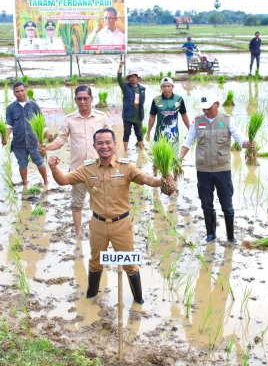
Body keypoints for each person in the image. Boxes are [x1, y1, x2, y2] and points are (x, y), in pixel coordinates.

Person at [47, 128, 174, 303]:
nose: (104, 146)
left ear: (114, 145)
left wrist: (164, 180)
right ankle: (91, 296)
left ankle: (139, 301)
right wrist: (53, 168)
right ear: (94, 146)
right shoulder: (87, 168)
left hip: (121, 224)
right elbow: (63, 180)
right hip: (97, 224)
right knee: (95, 262)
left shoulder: (126, 167)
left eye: (108, 142)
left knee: (129, 264)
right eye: (100, 143)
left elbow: (147, 180)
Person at [178, 92, 251, 243]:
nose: (206, 111)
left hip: (222, 170)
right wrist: (179, 158)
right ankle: (210, 234)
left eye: (209, 108)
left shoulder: (227, 120)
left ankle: (231, 237)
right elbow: (188, 141)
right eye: (204, 109)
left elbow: (239, 136)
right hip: (203, 170)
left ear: (217, 104)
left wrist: (246, 143)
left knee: (227, 206)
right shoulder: (197, 122)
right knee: (206, 204)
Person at [42, 86, 110, 238]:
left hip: (99, 168)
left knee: (101, 202)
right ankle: (78, 233)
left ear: (92, 99)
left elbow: (111, 142)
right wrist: (46, 147)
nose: (83, 101)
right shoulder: (70, 119)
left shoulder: (102, 117)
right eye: (79, 99)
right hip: (78, 170)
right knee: (77, 203)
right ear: (75, 100)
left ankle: (100, 231)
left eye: (86, 98)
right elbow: (60, 141)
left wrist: (115, 163)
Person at [4, 81, 49, 187]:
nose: (20, 93)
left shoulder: (33, 105)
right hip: (19, 142)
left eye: (22, 90)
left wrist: (47, 133)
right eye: (17, 91)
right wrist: (5, 137)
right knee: (22, 164)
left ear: (25, 91)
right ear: (14, 93)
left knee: (40, 162)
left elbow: (41, 122)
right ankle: (25, 184)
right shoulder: (10, 108)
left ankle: (46, 182)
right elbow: (9, 125)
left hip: (34, 141)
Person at [145, 77, 191, 146]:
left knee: (174, 156)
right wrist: (148, 132)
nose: (167, 88)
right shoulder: (156, 100)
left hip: (173, 136)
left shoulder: (179, 99)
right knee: (159, 156)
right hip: (159, 137)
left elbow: (184, 115)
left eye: (169, 86)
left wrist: (190, 130)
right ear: (161, 87)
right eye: (164, 86)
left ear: (172, 87)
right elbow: (152, 117)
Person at [117, 60, 146, 152]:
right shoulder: (125, 87)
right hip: (128, 116)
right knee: (127, 133)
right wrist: (120, 66)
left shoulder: (142, 89)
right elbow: (119, 78)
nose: (133, 78)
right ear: (128, 79)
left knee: (139, 134)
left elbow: (143, 101)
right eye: (131, 77)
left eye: (135, 76)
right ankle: (125, 151)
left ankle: (141, 151)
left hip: (138, 116)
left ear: (138, 78)